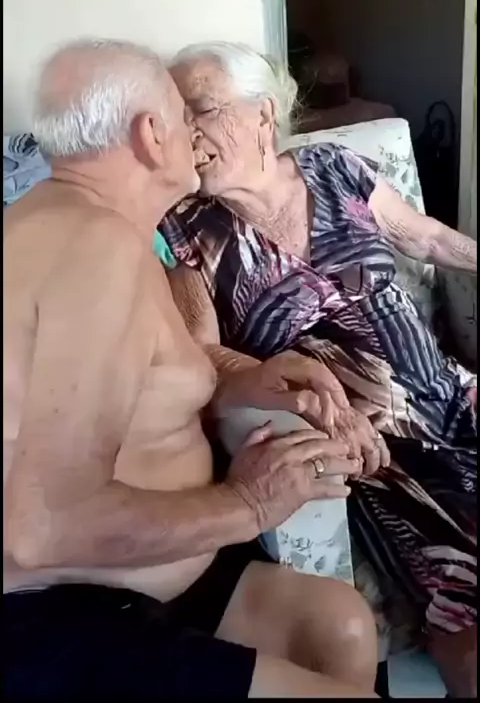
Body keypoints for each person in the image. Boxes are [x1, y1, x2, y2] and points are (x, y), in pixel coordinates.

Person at [3, 38, 379, 700]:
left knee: (337, 626)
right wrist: (249, 502)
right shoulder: (93, 248)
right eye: (185, 115)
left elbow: (130, 385)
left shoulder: (95, 226)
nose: (195, 135)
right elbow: (42, 529)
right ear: (152, 135)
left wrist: (244, 381)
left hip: (149, 574)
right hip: (62, 609)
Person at [161, 41, 478, 698]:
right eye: (176, 115)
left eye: (202, 110)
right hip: (379, 446)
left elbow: (423, 237)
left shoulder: (332, 167)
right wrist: (295, 385)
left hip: (450, 392)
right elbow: (202, 354)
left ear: (261, 113)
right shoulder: (187, 227)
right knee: (461, 587)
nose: (186, 132)